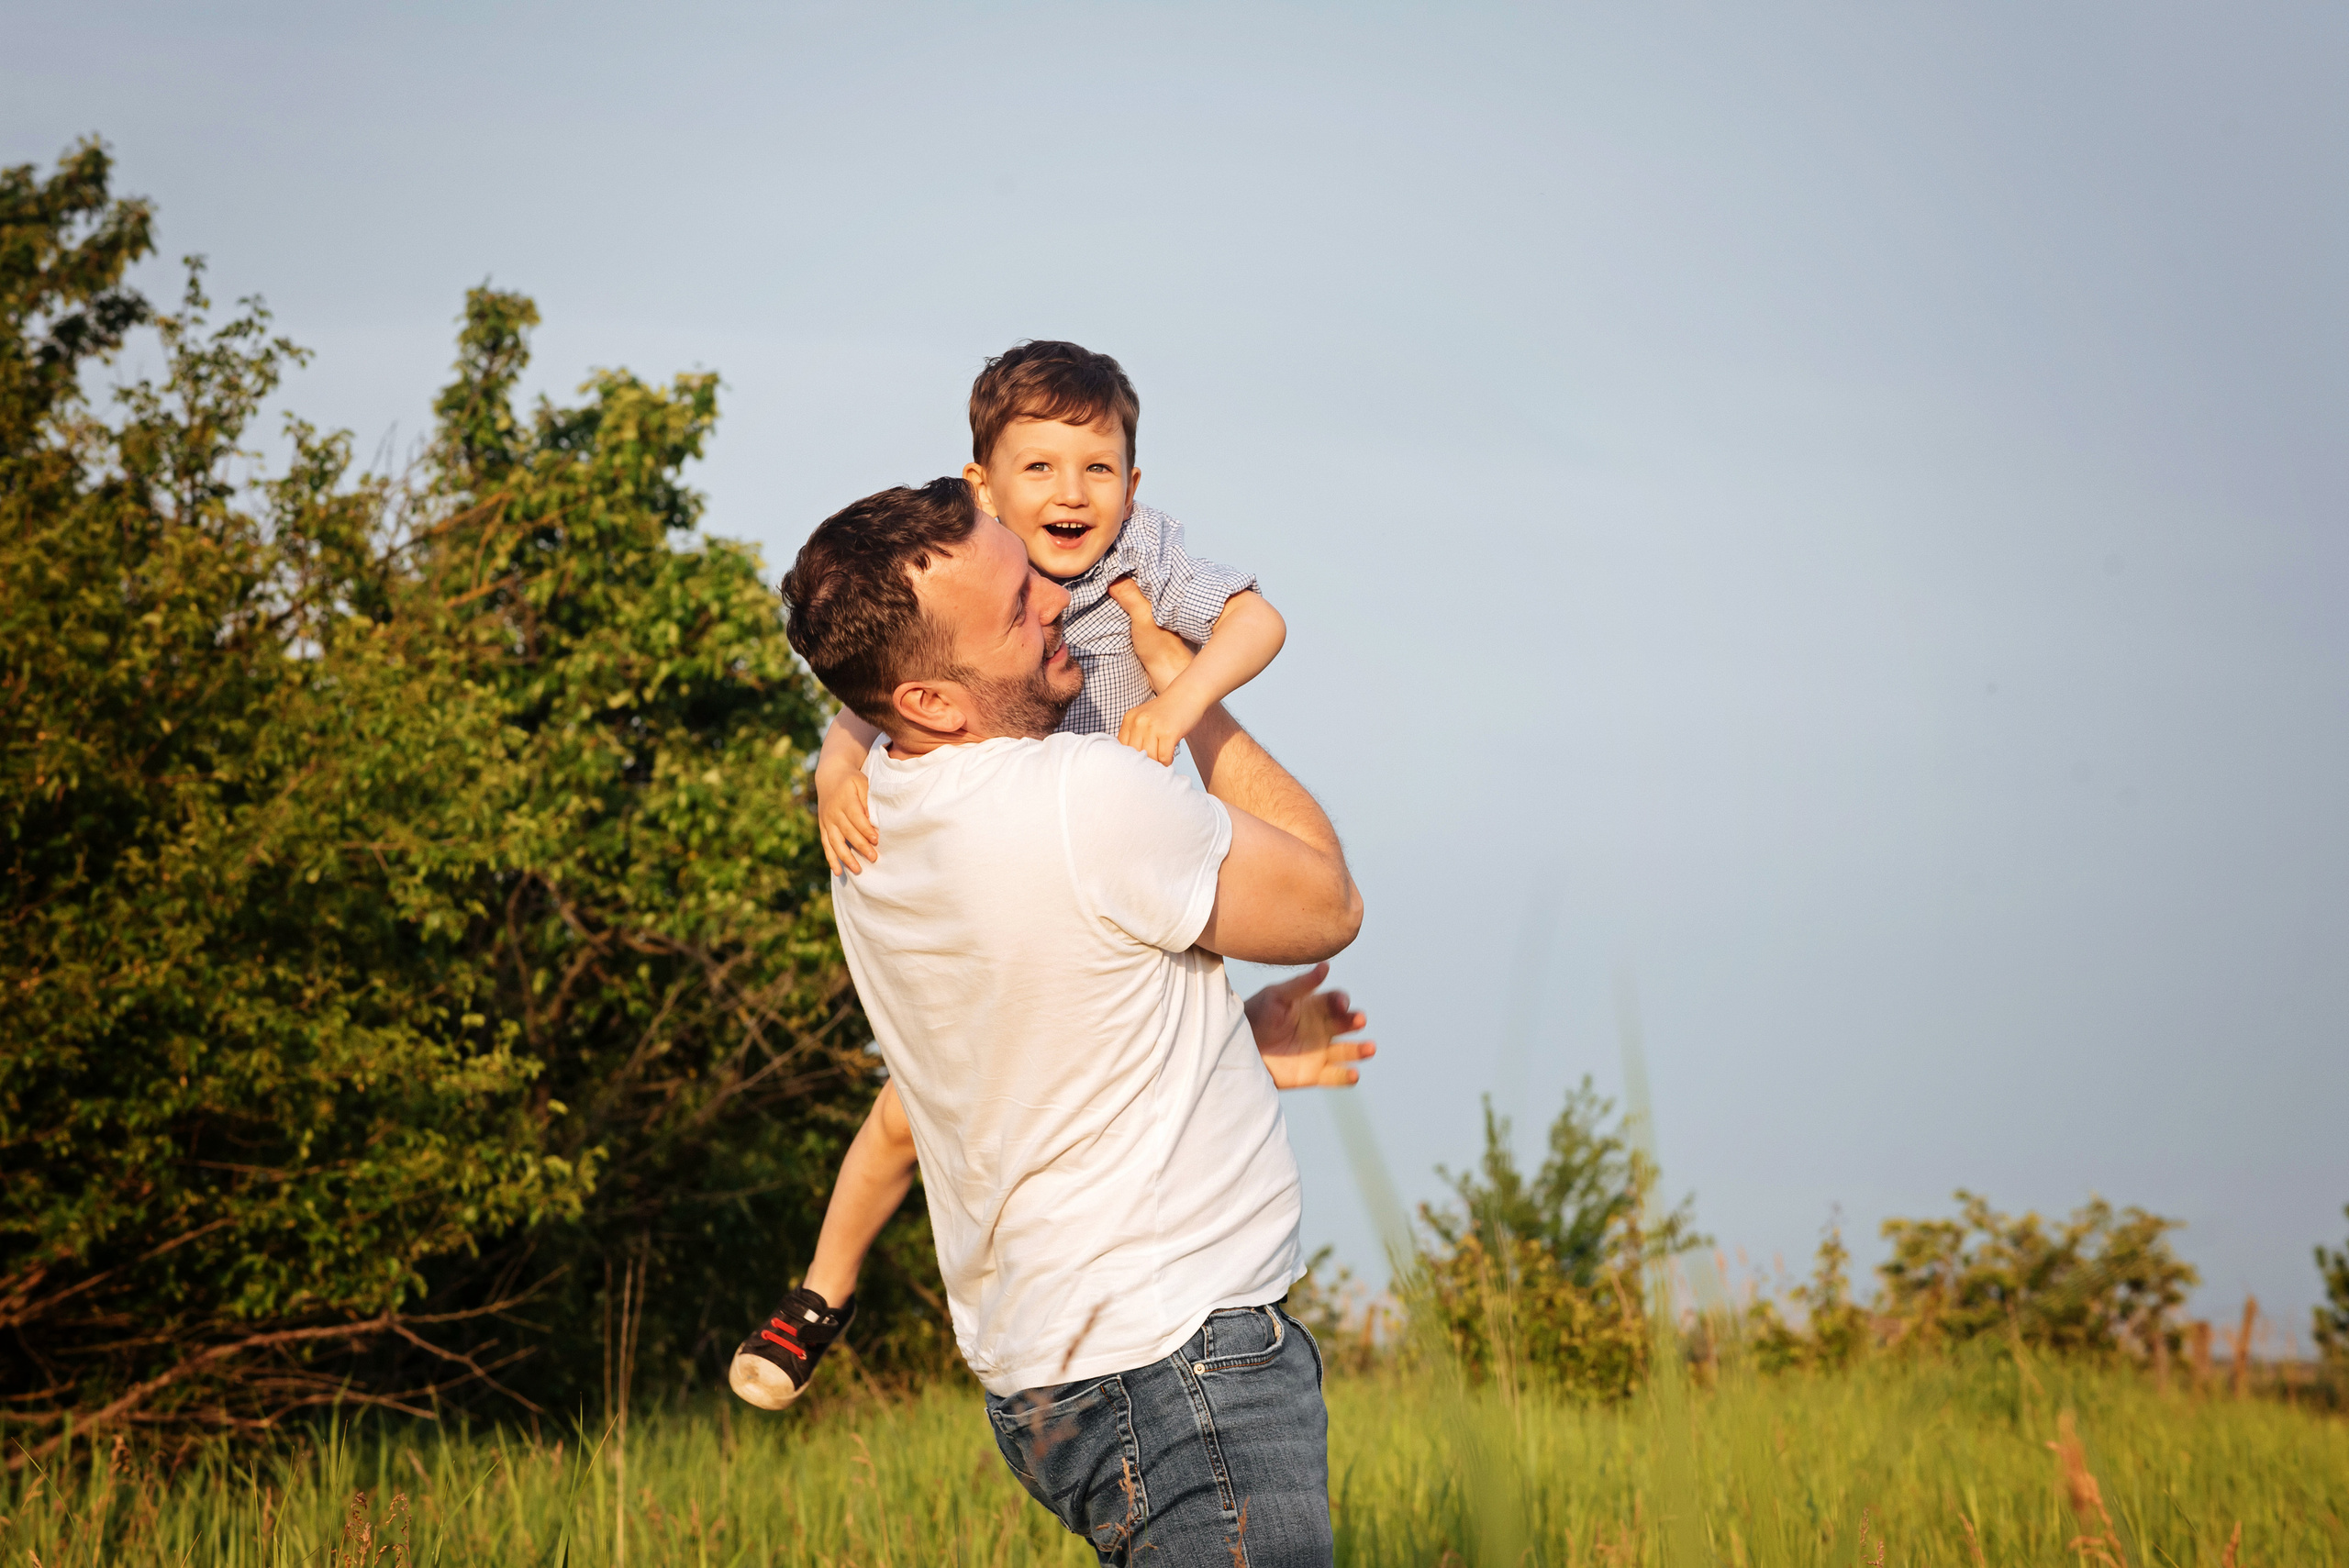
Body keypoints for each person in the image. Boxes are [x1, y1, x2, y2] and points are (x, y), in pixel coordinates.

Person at [743, 476, 1365, 1565]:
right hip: (1180, 1364)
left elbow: (1025, 1053)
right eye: (1016, 604)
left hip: (1043, 1387)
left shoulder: (868, 831)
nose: (1056, 595)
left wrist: (1228, 1044)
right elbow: (1327, 902)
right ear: (932, 699)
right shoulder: (1085, 795)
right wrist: (1189, 692)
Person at [809, 339, 1286, 876]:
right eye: (1040, 466)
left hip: (1123, 832)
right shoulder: (972, 573)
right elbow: (882, 689)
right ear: (983, 489)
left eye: (1099, 469)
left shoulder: (1137, 555)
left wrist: (1181, 700)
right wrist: (836, 772)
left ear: (1130, 490)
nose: (1073, 494)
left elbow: (1257, 622)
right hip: (1017, 834)